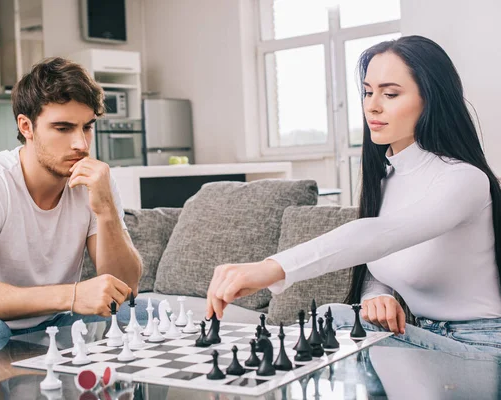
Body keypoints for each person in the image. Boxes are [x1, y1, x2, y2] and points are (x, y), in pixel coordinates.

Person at [205, 35, 501, 356]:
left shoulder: (465, 179)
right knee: (334, 323)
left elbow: (382, 235)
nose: (372, 105)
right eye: (367, 91)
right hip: (430, 340)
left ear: (431, 100)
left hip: (481, 346)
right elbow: (382, 261)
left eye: (390, 93)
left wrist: (273, 268)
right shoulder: (388, 179)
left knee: (338, 320)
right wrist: (377, 295)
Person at [0, 57, 153, 356]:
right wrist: (71, 295)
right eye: (63, 128)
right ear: (26, 126)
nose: (81, 145)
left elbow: (126, 288)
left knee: (144, 311)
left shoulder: (95, 179)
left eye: (87, 127)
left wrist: (106, 211)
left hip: (55, 325)